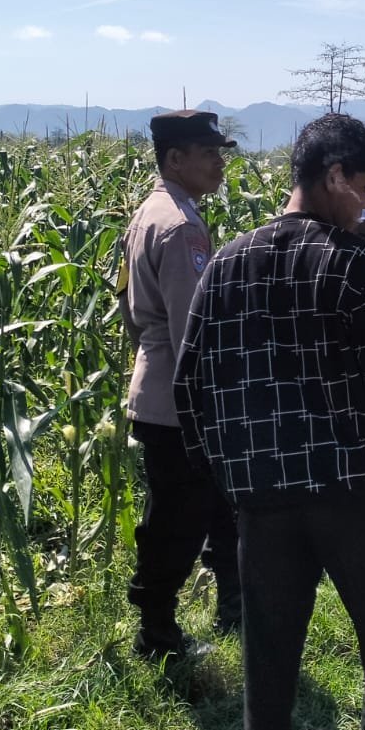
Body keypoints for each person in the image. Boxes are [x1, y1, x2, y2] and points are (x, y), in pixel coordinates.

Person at [173, 113, 365, 730]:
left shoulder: (226, 263)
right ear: (335, 177)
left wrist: (233, 484)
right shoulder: (352, 264)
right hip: (354, 500)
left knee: (268, 689)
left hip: (263, 509)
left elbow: (190, 391)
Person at [119, 109, 241, 659]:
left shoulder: (149, 214)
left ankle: (235, 610)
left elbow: (130, 311)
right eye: (208, 152)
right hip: (182, 402)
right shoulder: (181, 226)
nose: (219, 163)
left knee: (211, 508)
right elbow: (195, 330)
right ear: (175, 158)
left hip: (158, 389)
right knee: (178, 520)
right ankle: (158, 637)